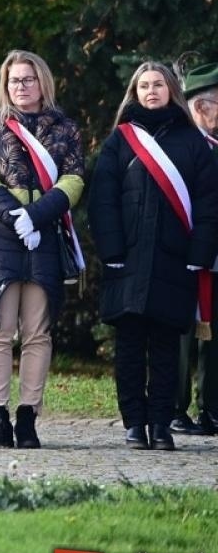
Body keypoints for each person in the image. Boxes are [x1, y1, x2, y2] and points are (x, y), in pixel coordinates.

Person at [88, 61, 218, 451]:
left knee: (164, 350)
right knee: (129, 348)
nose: (151, 91)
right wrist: (110, 251)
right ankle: (134, 424)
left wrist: (200, 254)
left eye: (158, 84)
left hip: (175, 261)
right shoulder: (120, 140)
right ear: (134, 91)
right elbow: (102, 200)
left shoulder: (193, 143)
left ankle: (161, 424)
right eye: (143, 85)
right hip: (126, 261)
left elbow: (210, 203)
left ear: (171, 90)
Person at [0, 49, 84, 449]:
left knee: (37, 332)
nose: (21, 86)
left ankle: (28, 415)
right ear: (6, 85)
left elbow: (73, 180)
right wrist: (16, 216)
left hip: (45, 234)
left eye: (28, 79)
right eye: (14, 80)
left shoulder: (64, 127)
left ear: (42, 83)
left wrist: (36, 216)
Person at [172, 61, 218, 435]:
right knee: (180, 335)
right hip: (182, 257)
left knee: (213, 337)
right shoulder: (180, 147)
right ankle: (174, 408)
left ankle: (212, 408)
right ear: (202, 108)